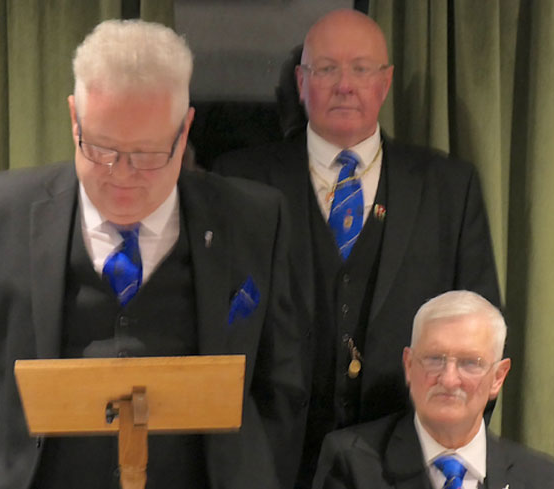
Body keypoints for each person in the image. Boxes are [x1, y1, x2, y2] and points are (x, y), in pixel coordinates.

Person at [0, 19, 307, 489]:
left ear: (184, 132)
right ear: (75, 117)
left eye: (147, 154)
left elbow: (282, 386)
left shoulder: (254, 220)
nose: (122, 175)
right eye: (101, 148)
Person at [213, 9, 501, 485]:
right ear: (302, 82)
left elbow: (483, 336)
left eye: (361, 69)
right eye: (326, 69)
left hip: (401, 466)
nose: (344, 84)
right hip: (267, 466)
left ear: (384, 83)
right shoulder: (237, 181)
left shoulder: (450, 187)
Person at [312, 291, 554, 489]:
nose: (449, 379)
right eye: (434, 359)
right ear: (408, 366)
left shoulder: (552, 483)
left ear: (497, 377)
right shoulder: (353, 465)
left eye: (470, 363)